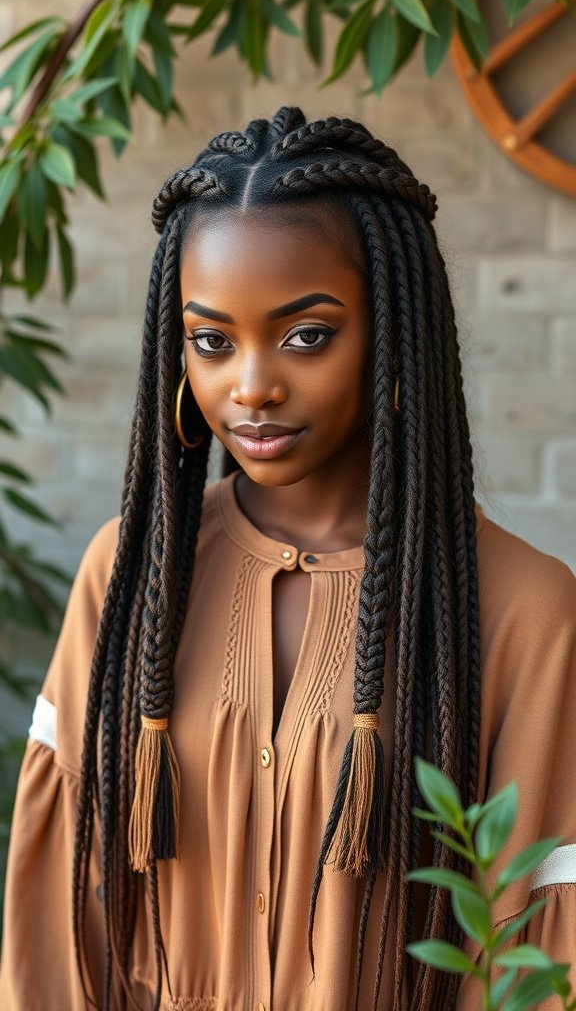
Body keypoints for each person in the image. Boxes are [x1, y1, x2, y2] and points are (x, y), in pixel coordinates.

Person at [1, 106, 575, 1011]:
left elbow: (525, 955)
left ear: (394, 332)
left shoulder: (523, 610)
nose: (252, 386)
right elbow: (62, 927)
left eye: (307, 335)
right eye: (212, 341)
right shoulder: (129, 574)